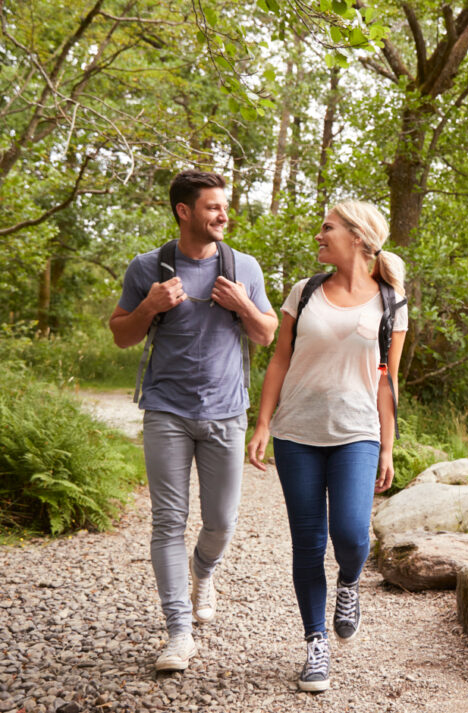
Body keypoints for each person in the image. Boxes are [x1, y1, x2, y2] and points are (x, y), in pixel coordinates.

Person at [109, 170, 278, 672]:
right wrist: (149, 305)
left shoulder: (243, 265)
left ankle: (204, 570)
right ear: (184, 211)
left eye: (224, 206)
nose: (224, 215)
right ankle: (178, 633)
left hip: (227, 413)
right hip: (166, 411)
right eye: (213, 207)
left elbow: (267, 335)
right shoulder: (148, 267)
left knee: (221, 522)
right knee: (167, 521)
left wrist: (243, 303)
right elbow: (121, 335)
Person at [246, 200, 407, 692]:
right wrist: (264, 422)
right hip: (297, 433)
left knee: (353, 535)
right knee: (309, 543)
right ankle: (315, 643)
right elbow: (279, 360)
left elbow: (388, 381)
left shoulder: (391, 301)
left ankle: (349, 584)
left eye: (327, 228)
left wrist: (387, 446)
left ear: (358, 238)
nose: (318, 235)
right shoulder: (305, 291)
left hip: (357, 432)